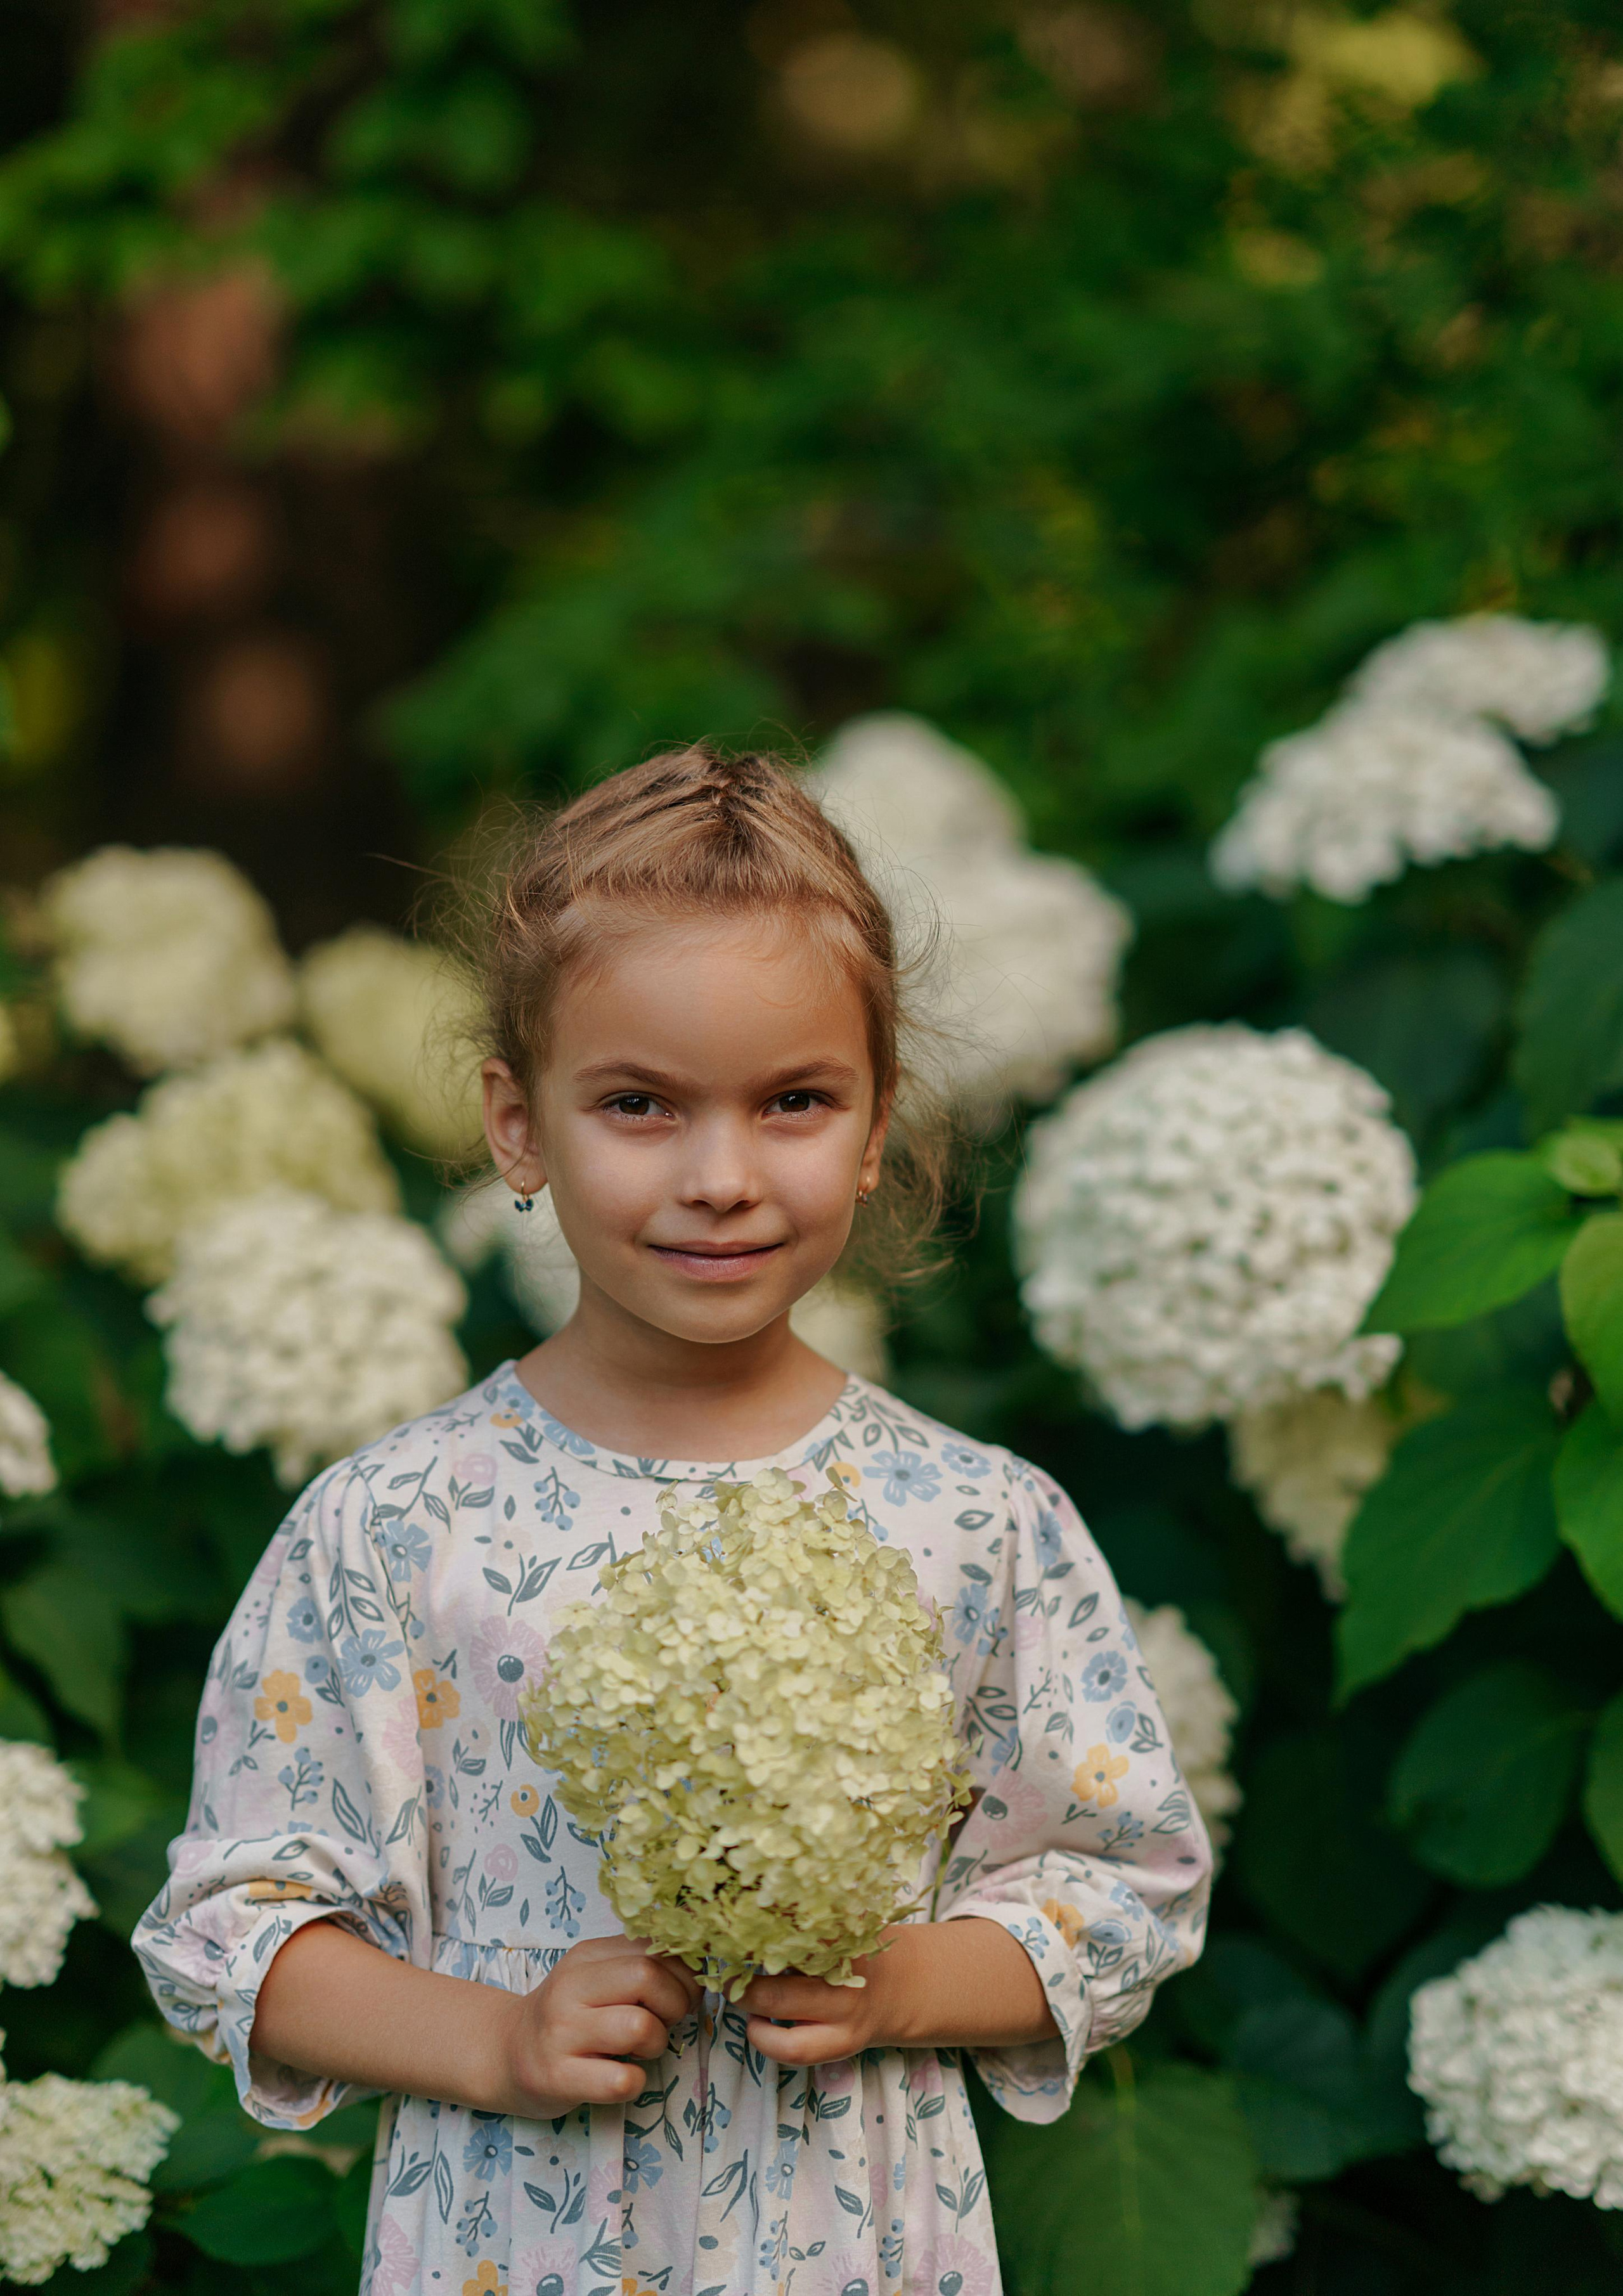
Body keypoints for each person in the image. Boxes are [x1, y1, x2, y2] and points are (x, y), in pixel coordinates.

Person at [133, 745, 1212, 2296]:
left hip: (854, 2244)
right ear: (519, 1124)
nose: (719, 1176)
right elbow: (233, 1928)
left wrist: (902, 1981)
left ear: (872, 1123)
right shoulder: (395, 1523)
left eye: (790, 1102)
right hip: (517, 2240)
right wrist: (493, 2035)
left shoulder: (975, 1520)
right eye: (638, 1103)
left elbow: (1121, 1883)